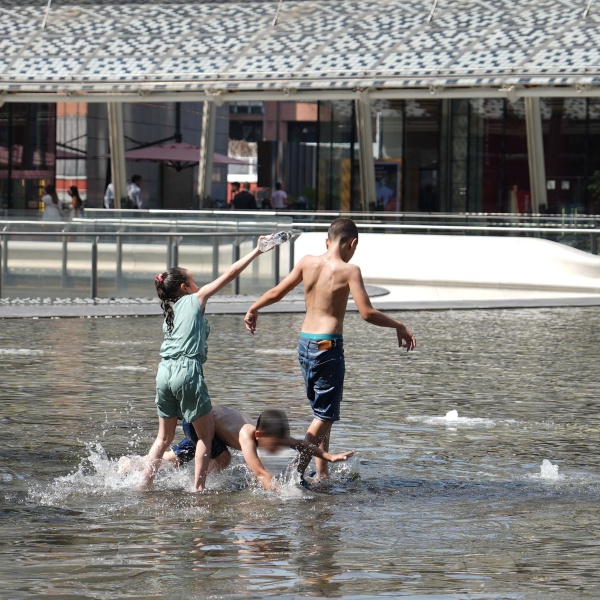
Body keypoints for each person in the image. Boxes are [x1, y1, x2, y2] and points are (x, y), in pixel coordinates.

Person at [244, 218, 416, 481]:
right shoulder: (349, 270)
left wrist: (254, 308)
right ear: (352, 243)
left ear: (327, 241)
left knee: (321, 413)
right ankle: (294, 472)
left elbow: (278, 291)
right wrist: (399, 325)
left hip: (305, 344)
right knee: (325, 415)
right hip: (328, 346)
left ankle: (322, 473)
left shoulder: (306, 262)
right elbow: (367, 313)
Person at [142, 237, 271, 492]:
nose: (199, 285)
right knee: (205, 436)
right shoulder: (195, 299)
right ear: (184, 287)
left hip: (163, 372)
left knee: (162, 438)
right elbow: (231, 273)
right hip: (186, 372)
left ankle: (143, 485)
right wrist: (257, 250)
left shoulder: (169, 315)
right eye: (194, 281)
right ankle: (198, 489)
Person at [157, 406, 355, 490]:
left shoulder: (270, 434)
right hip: (197, 422)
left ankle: (140, 464)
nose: (276, 448)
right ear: (259, 435)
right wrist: (280, 492)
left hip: (210, 420)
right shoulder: (247, 437)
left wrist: (328, 457)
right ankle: (205, 485)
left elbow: (301, 444)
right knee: (224, 458)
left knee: (178, 457)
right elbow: (260, 473)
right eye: (274, 445)